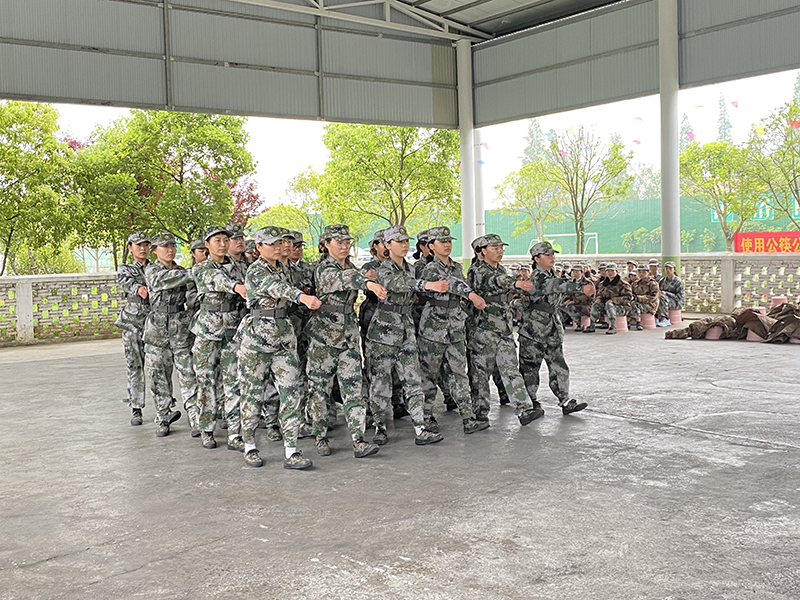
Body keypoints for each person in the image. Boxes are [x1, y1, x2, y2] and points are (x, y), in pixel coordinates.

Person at [237, 225, 322, 469]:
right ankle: (250, 446)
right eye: (271, 244)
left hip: (284, 337)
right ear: (258, 247)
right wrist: (301, 297)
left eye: (280, 243)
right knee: (252, 394)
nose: (277, 247)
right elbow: (278, 288)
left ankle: (291, 451)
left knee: (291, 392)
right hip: (257, 340)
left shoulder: (283, 268)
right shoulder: (256, 270)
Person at [305, 224, 384, 458]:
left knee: (353, 388)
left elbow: (353, 276)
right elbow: (345, 279)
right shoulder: (324, 268)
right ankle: (319, 435)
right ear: (326, 244)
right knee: (320, 389)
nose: (344, 246)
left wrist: (368, 279)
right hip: (324, 337)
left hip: (348, 336)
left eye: (347, 241)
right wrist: (367, 282)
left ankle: (358, 440)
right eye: (338, 242)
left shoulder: (350, 266)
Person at [366, 225, 446, 446]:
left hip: (406, 329)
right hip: (384, 331)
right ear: (387, 245)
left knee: (413, 379)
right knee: (381, 381)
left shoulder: (410, 268)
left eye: (406, 241)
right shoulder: (383, 269)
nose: (404, 245)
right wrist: (427, 285)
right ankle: (379, 427)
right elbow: (398, 284)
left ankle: (420, 428)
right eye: (398, 242)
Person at [417, 226, 490, 435]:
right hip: (433, 329)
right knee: (429, 374)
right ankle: (426, 417)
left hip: (455, 327)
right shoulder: (430, 269)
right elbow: (450, 284)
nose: (447, 245)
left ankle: (468, 418)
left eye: (449, 241)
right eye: (442, 242)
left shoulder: (456, 266)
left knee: (459, 373)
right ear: (431, 246)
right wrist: (471, 295)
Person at [467, 233, 542, 425]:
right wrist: (514, 283)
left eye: (501, 248)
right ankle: (480, 413)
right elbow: (494, 280)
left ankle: (524, 409)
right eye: (495, 248)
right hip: (483, 329)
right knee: (480, 373)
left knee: (510, 369)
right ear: (483, 251)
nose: (500, 251)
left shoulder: (499, 268)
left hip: (503, 327)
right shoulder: (477, 270)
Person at [518, 241, 594, 416]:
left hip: (552, 326)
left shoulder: (551, 273)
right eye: (547, 255)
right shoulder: (538, 277)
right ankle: (530, 403)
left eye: (553, 254)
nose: (552, 257)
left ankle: (565, 399)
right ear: (536, 259)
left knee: (558, 363)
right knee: (530, 368)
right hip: (534, 329)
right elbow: (555, 284)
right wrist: (581, 286)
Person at [191, 226, 247, 450]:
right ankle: (206, 429)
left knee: (234, 381)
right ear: (207, 244)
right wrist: (236, 286)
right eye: (217, 240)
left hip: (232, 330)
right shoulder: (201, 268)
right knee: (205, 381)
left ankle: (235, 433)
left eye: (225, 240)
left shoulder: (239, 266)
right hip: (208, 331)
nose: (223, 244)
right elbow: (217, 279)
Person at [143, 233, 196, 436]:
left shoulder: (183, 271)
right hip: (157, 330)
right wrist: (194, 272)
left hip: (180, 329)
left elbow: (191, 296)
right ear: (155, 250)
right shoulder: (152, 270)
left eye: (172, 246)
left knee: (188, 373)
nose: (170, 249)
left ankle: (195, 417)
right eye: (164, 246)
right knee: (158, 375)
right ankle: (163, 415)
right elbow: (161, 281)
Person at [115, 231, 154, 426]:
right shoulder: (126, 268)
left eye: (146, 245)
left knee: (158, 366)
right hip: (133, 324)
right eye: (138, 245)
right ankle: (136, 407)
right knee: (135, 365)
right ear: (130, 247)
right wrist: (139, 288)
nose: (143, 248)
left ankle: (164, 407)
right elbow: (127, 282)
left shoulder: (156, 268)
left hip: (155, 323)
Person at [586, 262, 633, 335]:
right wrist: (599, 299)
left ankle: (613, 327)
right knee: (595, 305)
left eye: (612, 271)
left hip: (621, 307)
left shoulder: (623, 284)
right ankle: (592, 325)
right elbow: (599, 294)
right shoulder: (603, 284)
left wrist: (613, 300)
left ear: (616, 272)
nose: (610, 273)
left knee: (610, 305)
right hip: (606, 305)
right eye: (608, 271)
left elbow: (628, 297)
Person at [562, 262, 594, 332]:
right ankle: (561, 324)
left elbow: (588, 297)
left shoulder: (588, 282)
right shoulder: (571, 283)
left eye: (577, 272)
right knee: (560, 307)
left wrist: (575, 301)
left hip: (585, 304)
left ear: (582, 272)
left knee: (570, 307)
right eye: (574, 272)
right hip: (573, 302)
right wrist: (566, 300)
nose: (575, 273)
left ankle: (579, 324)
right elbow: (567, 293)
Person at [630, 263, 660, 330]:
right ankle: (629, 321)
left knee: (634, 303)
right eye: (640, 272)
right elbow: (631, 293)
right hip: (639, 303)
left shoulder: (653, 283)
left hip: (650, 305)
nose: (641, 274)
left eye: (643, 272)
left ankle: (638, 322)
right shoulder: (635, 283)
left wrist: (639, 298)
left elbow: (653, 297)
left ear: (648, 272)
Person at [657, 261, 685, 327]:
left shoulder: (678, 281)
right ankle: (656, 316)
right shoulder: (662, 280)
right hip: (665, 300)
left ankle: (665, 318)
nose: (668, 270)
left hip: (676, 302)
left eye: (670, 268)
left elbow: (679, 297)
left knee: (662, 298)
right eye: (666, 268)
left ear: (674, 269)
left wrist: (667, 293)